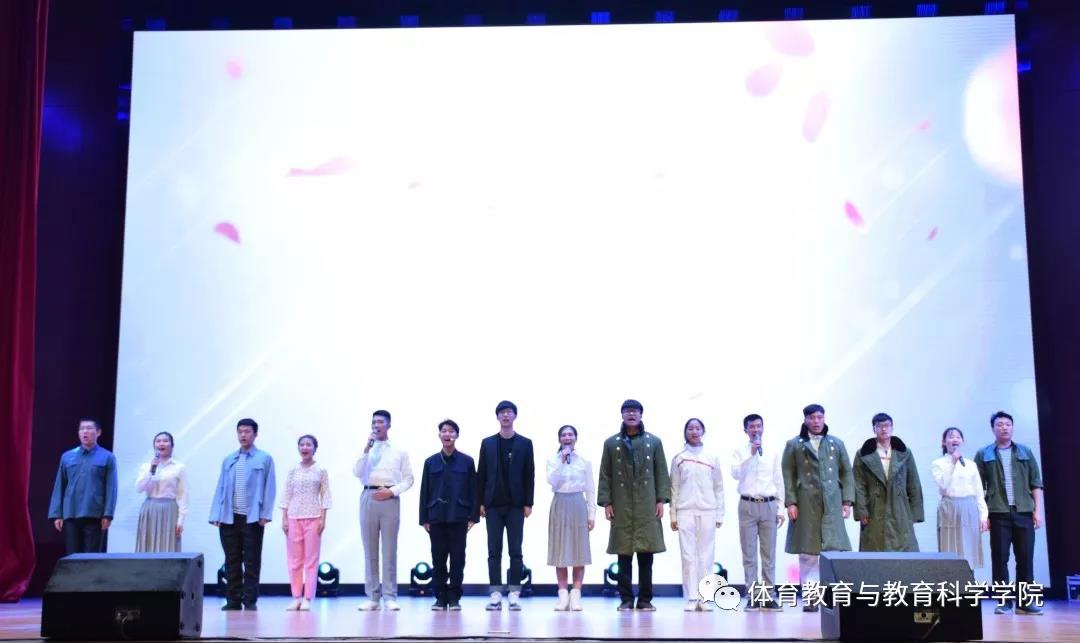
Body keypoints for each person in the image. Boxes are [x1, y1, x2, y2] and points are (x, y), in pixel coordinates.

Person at [597, 399, 670, 611]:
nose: (631, 414)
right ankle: (626, 599)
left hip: (647, 504)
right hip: (622, 505)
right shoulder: (611, 443)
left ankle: (645, 599)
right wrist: (607, 502)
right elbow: (605, 474)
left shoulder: (654, 442)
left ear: (641, 415)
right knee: (623, 556)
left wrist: (661, 500)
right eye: (627, 411)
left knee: (646, 555)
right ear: (622, 415)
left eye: (635, 411)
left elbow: (661, 472)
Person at [781, 403, 853, 612]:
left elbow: (846, 473)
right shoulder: (794, 445)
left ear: (824, 418)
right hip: (806, 503)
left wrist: (847, 501)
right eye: (812, 418)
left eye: (819, 417)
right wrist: (791, 502)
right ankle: (811, 598)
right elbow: (788, 475)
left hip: (831, 503)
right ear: (805, 420)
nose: (816, 421)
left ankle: (832, 598)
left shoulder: (836, 443)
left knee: (833, 552)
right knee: (808, 553)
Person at [974, 411, 1044, 615]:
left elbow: (1036, 483)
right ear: (993, 429)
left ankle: (1025, 602)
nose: (1004, 427)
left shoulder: (1025, 451)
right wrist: (984, 516)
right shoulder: (984, 454)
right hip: (998, 513)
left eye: (1007, 424)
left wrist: (1038, 511)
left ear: (1012, 427)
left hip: (1024, 512)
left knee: (1025, 559)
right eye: (999, 424)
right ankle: (1004, 602)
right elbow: (978, 488)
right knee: (1000, 559)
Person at [209, 418, 276, 611]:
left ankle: (250, 600)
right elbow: (220, 487)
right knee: (232, 560)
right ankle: (233, 600)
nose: (243, 435)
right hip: (229, 517)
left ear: (255, 434)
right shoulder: (229, 459)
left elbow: (270, 487)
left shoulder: (264, 458)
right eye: (240, 432)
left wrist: (266, 514)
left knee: (252, 560)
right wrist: (216, 514)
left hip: (252, 518)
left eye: (247, 432)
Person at [353, 410, 414, 611]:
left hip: (390, 498)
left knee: (389, 550)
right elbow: (357, 472)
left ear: (388, 425)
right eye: (373, 422)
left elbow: (409, 479)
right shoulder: (367, 449)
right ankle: (372, 597)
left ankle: (389, 596)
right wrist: (366, 450)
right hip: (368, 496)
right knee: (369, 549)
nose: (376, 425)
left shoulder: (399, 450)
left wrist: (392, 491)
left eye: (380, 422)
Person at [477, 400, 536, 611]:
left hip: (516, 505)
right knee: (494, 551)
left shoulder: (525, 443)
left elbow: (530, 474)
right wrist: (480, 502)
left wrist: (528, 502)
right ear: (497, 417)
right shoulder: (487, 443)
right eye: (502, 412)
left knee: (516, 551)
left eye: (509, 412)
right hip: (492, 505)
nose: (505, 415)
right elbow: (481, 474)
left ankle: (514, 593)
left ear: (514, 416)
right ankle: (495, 594)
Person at [419, 419, 479, 611]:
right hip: (436, 517)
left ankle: (454, 598)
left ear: (457, 435)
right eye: (444, 431)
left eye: (451, 431)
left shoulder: (467, 461)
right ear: (439, 435)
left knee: (457, 560)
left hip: (459, 516)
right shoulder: (430, 462)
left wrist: (473, 517)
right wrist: (424, 518)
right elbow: (425, 491)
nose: (447, 434)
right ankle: (440, 597)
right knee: (438, 559)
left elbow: (473, 490)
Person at [730, 413, 785, 612]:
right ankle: (753, 596)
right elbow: (736, 474)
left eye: (758, 426)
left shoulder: (773, 451)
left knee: (769, 554)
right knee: (749, 554)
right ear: (745, 430)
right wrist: (751, 454)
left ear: (763, 428)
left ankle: (768, 596)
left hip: (769, 504)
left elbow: (778, 480)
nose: (755, 429)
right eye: (751, 426)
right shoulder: (739, 451)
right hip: (747, 505)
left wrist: (780, 508)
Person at [670, 418, 724, 612]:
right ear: (685, 432)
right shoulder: (679, 458)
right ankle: (692, 597)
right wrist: (673, 515)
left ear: (703, 431)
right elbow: (674, 488)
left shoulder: (711, 457)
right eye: (690, 428)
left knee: (706, 556)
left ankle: (705, 598)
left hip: (708, 510)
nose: (694, 431)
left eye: (697, 428)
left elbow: (719, 487)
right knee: (688, 556)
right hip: (684, 511)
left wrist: (720, 514)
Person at [852, 413, 924, 552]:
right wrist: (861, 511)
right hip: (874, 509)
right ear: (874, 429)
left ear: (892, 427)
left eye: (887, 425)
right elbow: (858, 485)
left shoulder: (904, 452)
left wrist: (916, 513)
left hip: (900, 507)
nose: (883, 429)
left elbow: (913, 482)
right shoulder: (863, 454)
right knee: (875, 548)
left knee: (903, 548)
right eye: (879, 426)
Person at [48, 417, 118, 554]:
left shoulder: (107, 457)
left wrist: (108, 514)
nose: (85, 431)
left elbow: (111, 488)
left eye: (89, 428)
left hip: (94, 514)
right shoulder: (67, 456)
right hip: (71, 513)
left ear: (98, 432)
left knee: (90, 557)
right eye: (82, 429)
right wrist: (57, 514)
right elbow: (59, 485)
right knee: (72, 555)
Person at [280, 434, 332, 611]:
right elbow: (286, 494)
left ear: (315, 448)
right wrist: (284, 518)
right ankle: (296, 597)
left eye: (309, 444)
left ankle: (308, 598)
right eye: (302, 444)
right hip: (293, 517)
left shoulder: (321, 470)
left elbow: (325, 495)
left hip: (314, 517)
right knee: (294, 561)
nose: (305, 447)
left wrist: (323, 519)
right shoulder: (293, 470)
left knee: (311, 560)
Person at [546, 425, 595, 612]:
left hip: (578, 503)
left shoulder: (584, 460)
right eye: (564, 435)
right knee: (559, 551)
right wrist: (561, 461)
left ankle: (576, 596)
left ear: (576, 438)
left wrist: (591, 514)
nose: (567, 437)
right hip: (560, 502)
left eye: (570, 434)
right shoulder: (553, 459)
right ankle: (562, 597)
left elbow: (590, 488)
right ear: (559, 439)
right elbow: (552, 481)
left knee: (578, 551)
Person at [931, 427, 988, 573]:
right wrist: (952, 462)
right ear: (944, 442)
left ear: (962, 441)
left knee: (969, 550)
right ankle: (951, 583)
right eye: (951, 437)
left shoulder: (971, 464)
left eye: (958, 437)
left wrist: (983, 516)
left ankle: (969, 583)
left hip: (969, 507)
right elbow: (943, 485)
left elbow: (978, 492)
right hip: (949, 507)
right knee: (949, 548)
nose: (955, 439)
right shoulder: (938, 463)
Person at [134, 431, 188, 552]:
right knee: (147, 545)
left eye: (165, 441)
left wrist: (181, 520)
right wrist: (151, 470)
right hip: (149, 509)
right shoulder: (146, 466)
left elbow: (183, 494)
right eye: (158, 441)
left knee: (168, 545)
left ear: (172, 445)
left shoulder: (179, 467)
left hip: (170, 509)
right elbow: (139, 488)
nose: (161, 444)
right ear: (154, 445)